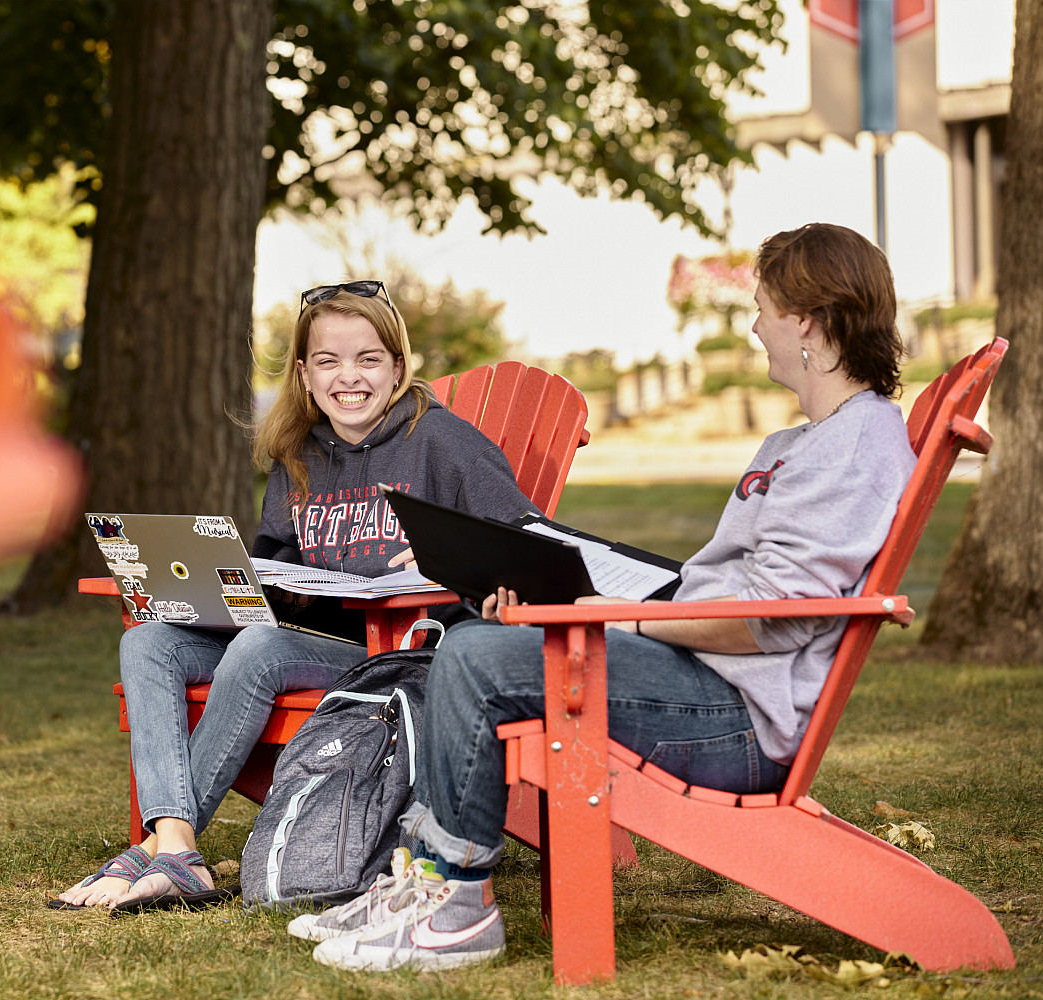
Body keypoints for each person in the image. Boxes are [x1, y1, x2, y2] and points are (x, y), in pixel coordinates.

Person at [301, 224, 915, 971]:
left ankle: (454, 902)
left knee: (472, 653)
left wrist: (612, 613)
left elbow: (771, 618)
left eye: (763, 308)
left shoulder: (856, 442)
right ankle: (426, 879)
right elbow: (729, 590)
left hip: (739, 717)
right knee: (481, 636)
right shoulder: (799, 442)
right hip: (700, 673)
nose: (755, 326)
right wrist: (572, 585)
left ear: (807, 320)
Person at [53, 280, 539, 911]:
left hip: (406, 658)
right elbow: (280, 552)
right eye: (329, 362)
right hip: (317, 640)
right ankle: (174, 842)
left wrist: (446, 557)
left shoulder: (443, 444)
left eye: (368, 359)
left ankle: (166, 854)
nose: (349, 378)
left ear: (397, 366)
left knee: (258, 649)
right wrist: (260, 582)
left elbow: (526, 545)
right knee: (150, 640)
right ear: (306, 374)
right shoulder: (298, 452)